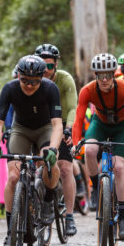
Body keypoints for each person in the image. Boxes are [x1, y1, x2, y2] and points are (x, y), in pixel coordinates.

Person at [0, 55, 63, 246]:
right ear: (18, 75)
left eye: (35, 82)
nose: (29, 86)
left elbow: (57, 125)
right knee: (13, 177)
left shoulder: (50, 89)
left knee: (47, 161)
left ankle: (47, 200)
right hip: (21, 129)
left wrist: (53, 149)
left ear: (42, 79)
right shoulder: (10, 89)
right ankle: (10, 231)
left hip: (45, 128)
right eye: (25, 81)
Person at [72, 53, 124, 240]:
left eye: (108, 75)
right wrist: (75, 143)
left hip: (123, 126)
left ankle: (122, 217)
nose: (104, 80)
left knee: (119, 167)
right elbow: (78, 119)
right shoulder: (87, 90)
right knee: (89, 150)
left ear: (114, 74)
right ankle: (96, 189)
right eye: (100, 75)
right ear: (95, 74)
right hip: (100, 123)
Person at [35, 43, 79, 236]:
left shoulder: (65, 79)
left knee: (65, 167)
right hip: (39, 126)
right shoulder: (30, 78)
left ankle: (69, 216)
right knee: (34, 164)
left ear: (57, 65)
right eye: (42, 65)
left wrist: (69, 129)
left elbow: (72, 108)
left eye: (50, 66)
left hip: (61, 125)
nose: (46, 70)